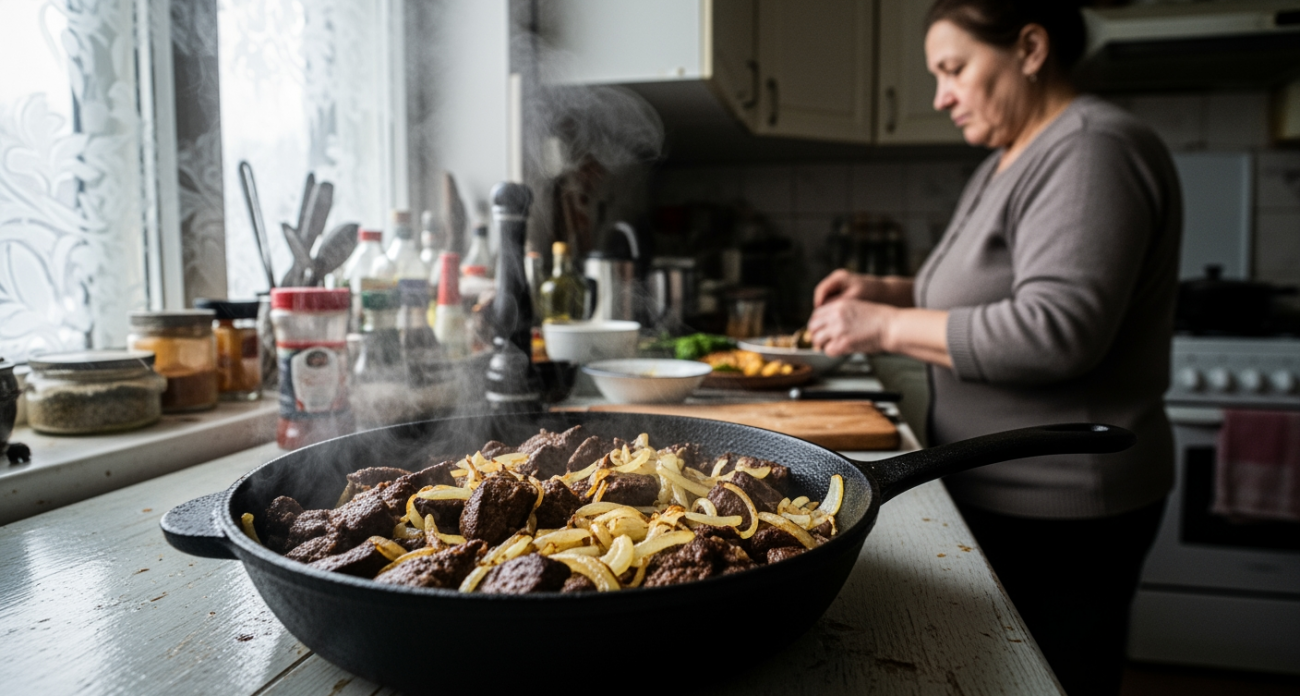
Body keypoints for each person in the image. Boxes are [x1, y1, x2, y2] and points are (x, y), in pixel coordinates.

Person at [807, 2, 1181, 694]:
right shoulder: (1012, 157)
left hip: (1062, 505)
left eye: (953, 69)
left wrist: (885, 326)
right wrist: (888, 291)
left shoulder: (1090, 149)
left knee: (1050, 681)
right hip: (998, 483)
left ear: (1030, 49)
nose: (940, 96)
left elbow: (1055, 330)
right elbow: (981, 290)